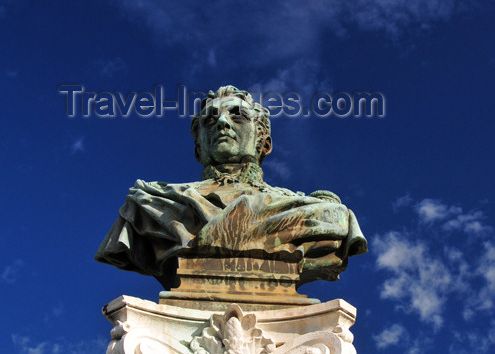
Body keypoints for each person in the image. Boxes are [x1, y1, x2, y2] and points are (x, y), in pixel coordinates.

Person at [96, 86, 367, 288]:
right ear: (198, 144)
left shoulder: (321, 212)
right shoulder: (151, 202)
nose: (223, 123)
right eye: (210, 120)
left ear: (264, 142)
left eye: (238, 117)